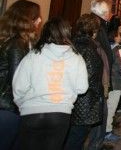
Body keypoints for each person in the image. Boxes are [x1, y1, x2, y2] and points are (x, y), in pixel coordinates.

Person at [12, 18, 88, 150]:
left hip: (32, 113)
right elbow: (82, 88)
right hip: (60, 114)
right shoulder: (76, 57)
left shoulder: (33, 55)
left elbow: (19, 86)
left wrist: (24, 105)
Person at [0, 0, 41, 149]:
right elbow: (19, 82)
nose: (40, 20)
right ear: (27, 20)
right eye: (36, 16)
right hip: (9, 109)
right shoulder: (17, 45)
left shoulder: (13, 41)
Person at [65, 14, 104, 150]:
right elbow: (90, 78)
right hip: (85, 103)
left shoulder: (71, 44)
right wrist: (99, 95)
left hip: (70, 101)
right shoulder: (89, 49)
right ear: (94, 31)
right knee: (75, 140)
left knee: (72, 138)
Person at [88, 0, 113, 150]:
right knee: (99, 113)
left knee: (100, 112)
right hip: (98, 77)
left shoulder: (100, 26)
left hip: (99, 76)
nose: (110, 14)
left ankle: (97, 143)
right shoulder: (98, 27)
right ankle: (96, 145)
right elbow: (101, 53)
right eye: (109, 11)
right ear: (103, 14)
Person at [104, 17, 121, 143]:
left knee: (107, 107)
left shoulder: (106, 46)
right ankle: (107, 132)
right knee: (111, 107)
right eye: (119, 35)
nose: (120, 37)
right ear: (115, 36)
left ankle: (105, 129)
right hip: (116, 82)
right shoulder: (117, 48)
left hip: (107, 81)